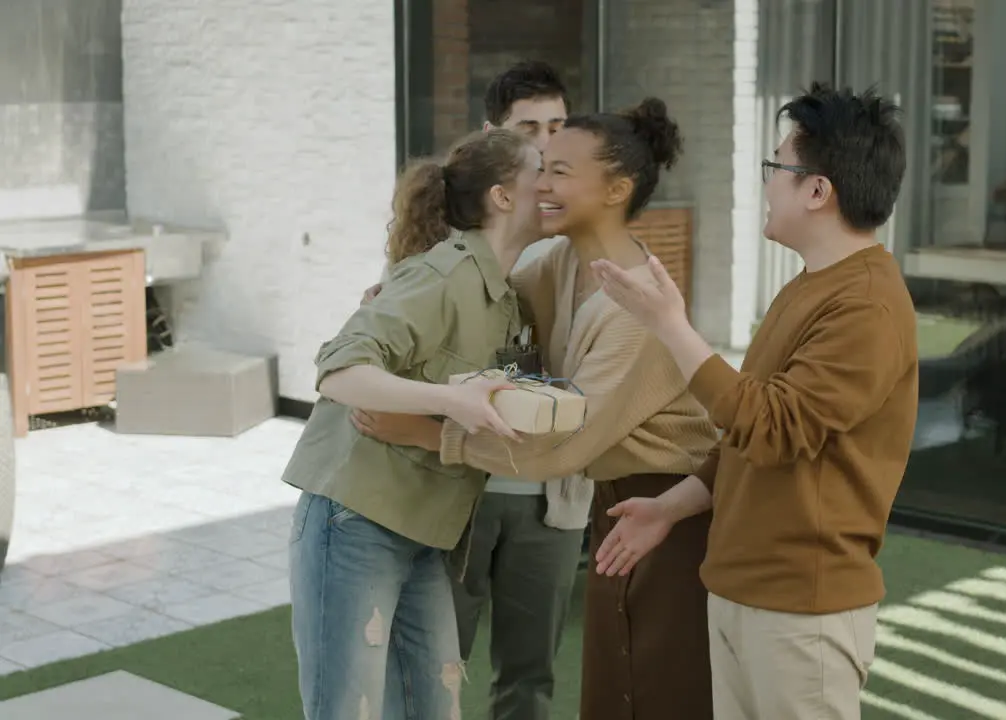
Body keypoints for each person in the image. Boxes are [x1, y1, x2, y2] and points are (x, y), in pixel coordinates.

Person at [354, 98, 719, 720]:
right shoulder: (560, 263)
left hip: (671, 511)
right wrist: (402, 299)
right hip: (616, 500)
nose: (539, 184)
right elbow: (477, 302)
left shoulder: (635, 305)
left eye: (559, 171)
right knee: (614, 687)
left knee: (659, 692)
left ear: (616, 189)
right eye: (540, 168)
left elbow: (562, 446)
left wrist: (422, 431)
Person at [591, 83, 919, 720]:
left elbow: (772, 426)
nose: (766, 182)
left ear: (817, 190)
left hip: (804, 608)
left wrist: (671, 326)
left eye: (776, 167)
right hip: (744, 592)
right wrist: (670, 507)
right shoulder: (811, 285)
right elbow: (748, 433)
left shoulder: (867, 306)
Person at [282, 127, 544, 720]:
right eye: (541, 170)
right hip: (355, 523)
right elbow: (338, 370)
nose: (551, 184)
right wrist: (451, 401)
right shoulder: (444, 275)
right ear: (503, 196)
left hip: (426, 535)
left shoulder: (504, 298)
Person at [357, 60, 586, 720]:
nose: (546, 143)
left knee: (530, 678)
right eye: (529, 129)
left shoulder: (576, 238)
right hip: (457, 489)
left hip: (549, 499)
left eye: (558, 127)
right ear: (496, 138)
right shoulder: (444, 250)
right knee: (435, 670)